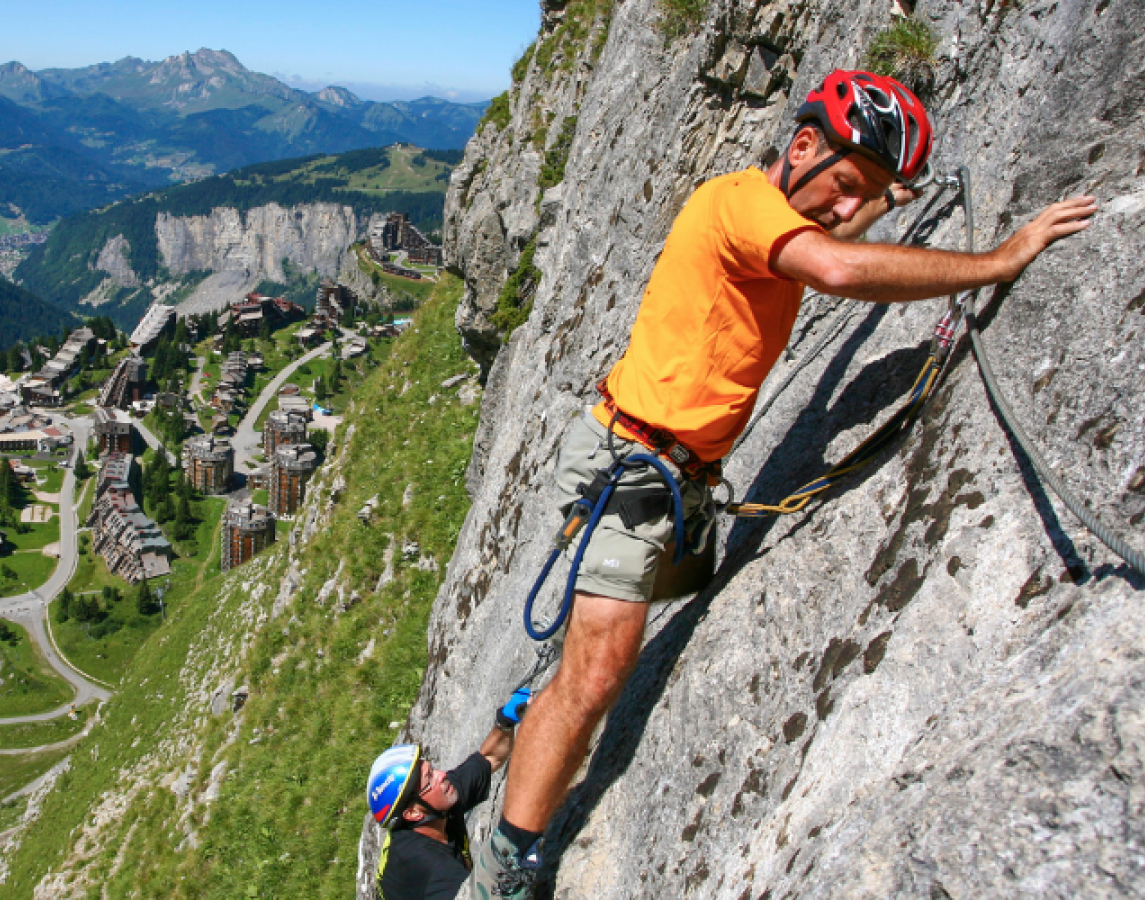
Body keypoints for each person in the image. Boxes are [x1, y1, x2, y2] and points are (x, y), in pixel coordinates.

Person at [469, 70, 1098, 899]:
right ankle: (501, 870)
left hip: (678, 474)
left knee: (633, 622)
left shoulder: (784, 209)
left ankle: (527, 711)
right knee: (596, 676)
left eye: (860, 195)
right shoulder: (740, 205)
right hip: (633, 470)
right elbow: (835, 267)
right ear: (800, 147)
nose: (846, 208)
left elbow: (832, 235)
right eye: (844, 185)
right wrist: (997, 260)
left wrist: (885, 201)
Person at [369, 688, 532, 900]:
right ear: (413, 813)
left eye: (432, 769)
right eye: (429, 779)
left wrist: (506, 720)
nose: (442, 775)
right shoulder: (431, 866)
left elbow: (490, 758)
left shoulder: (439, 803)